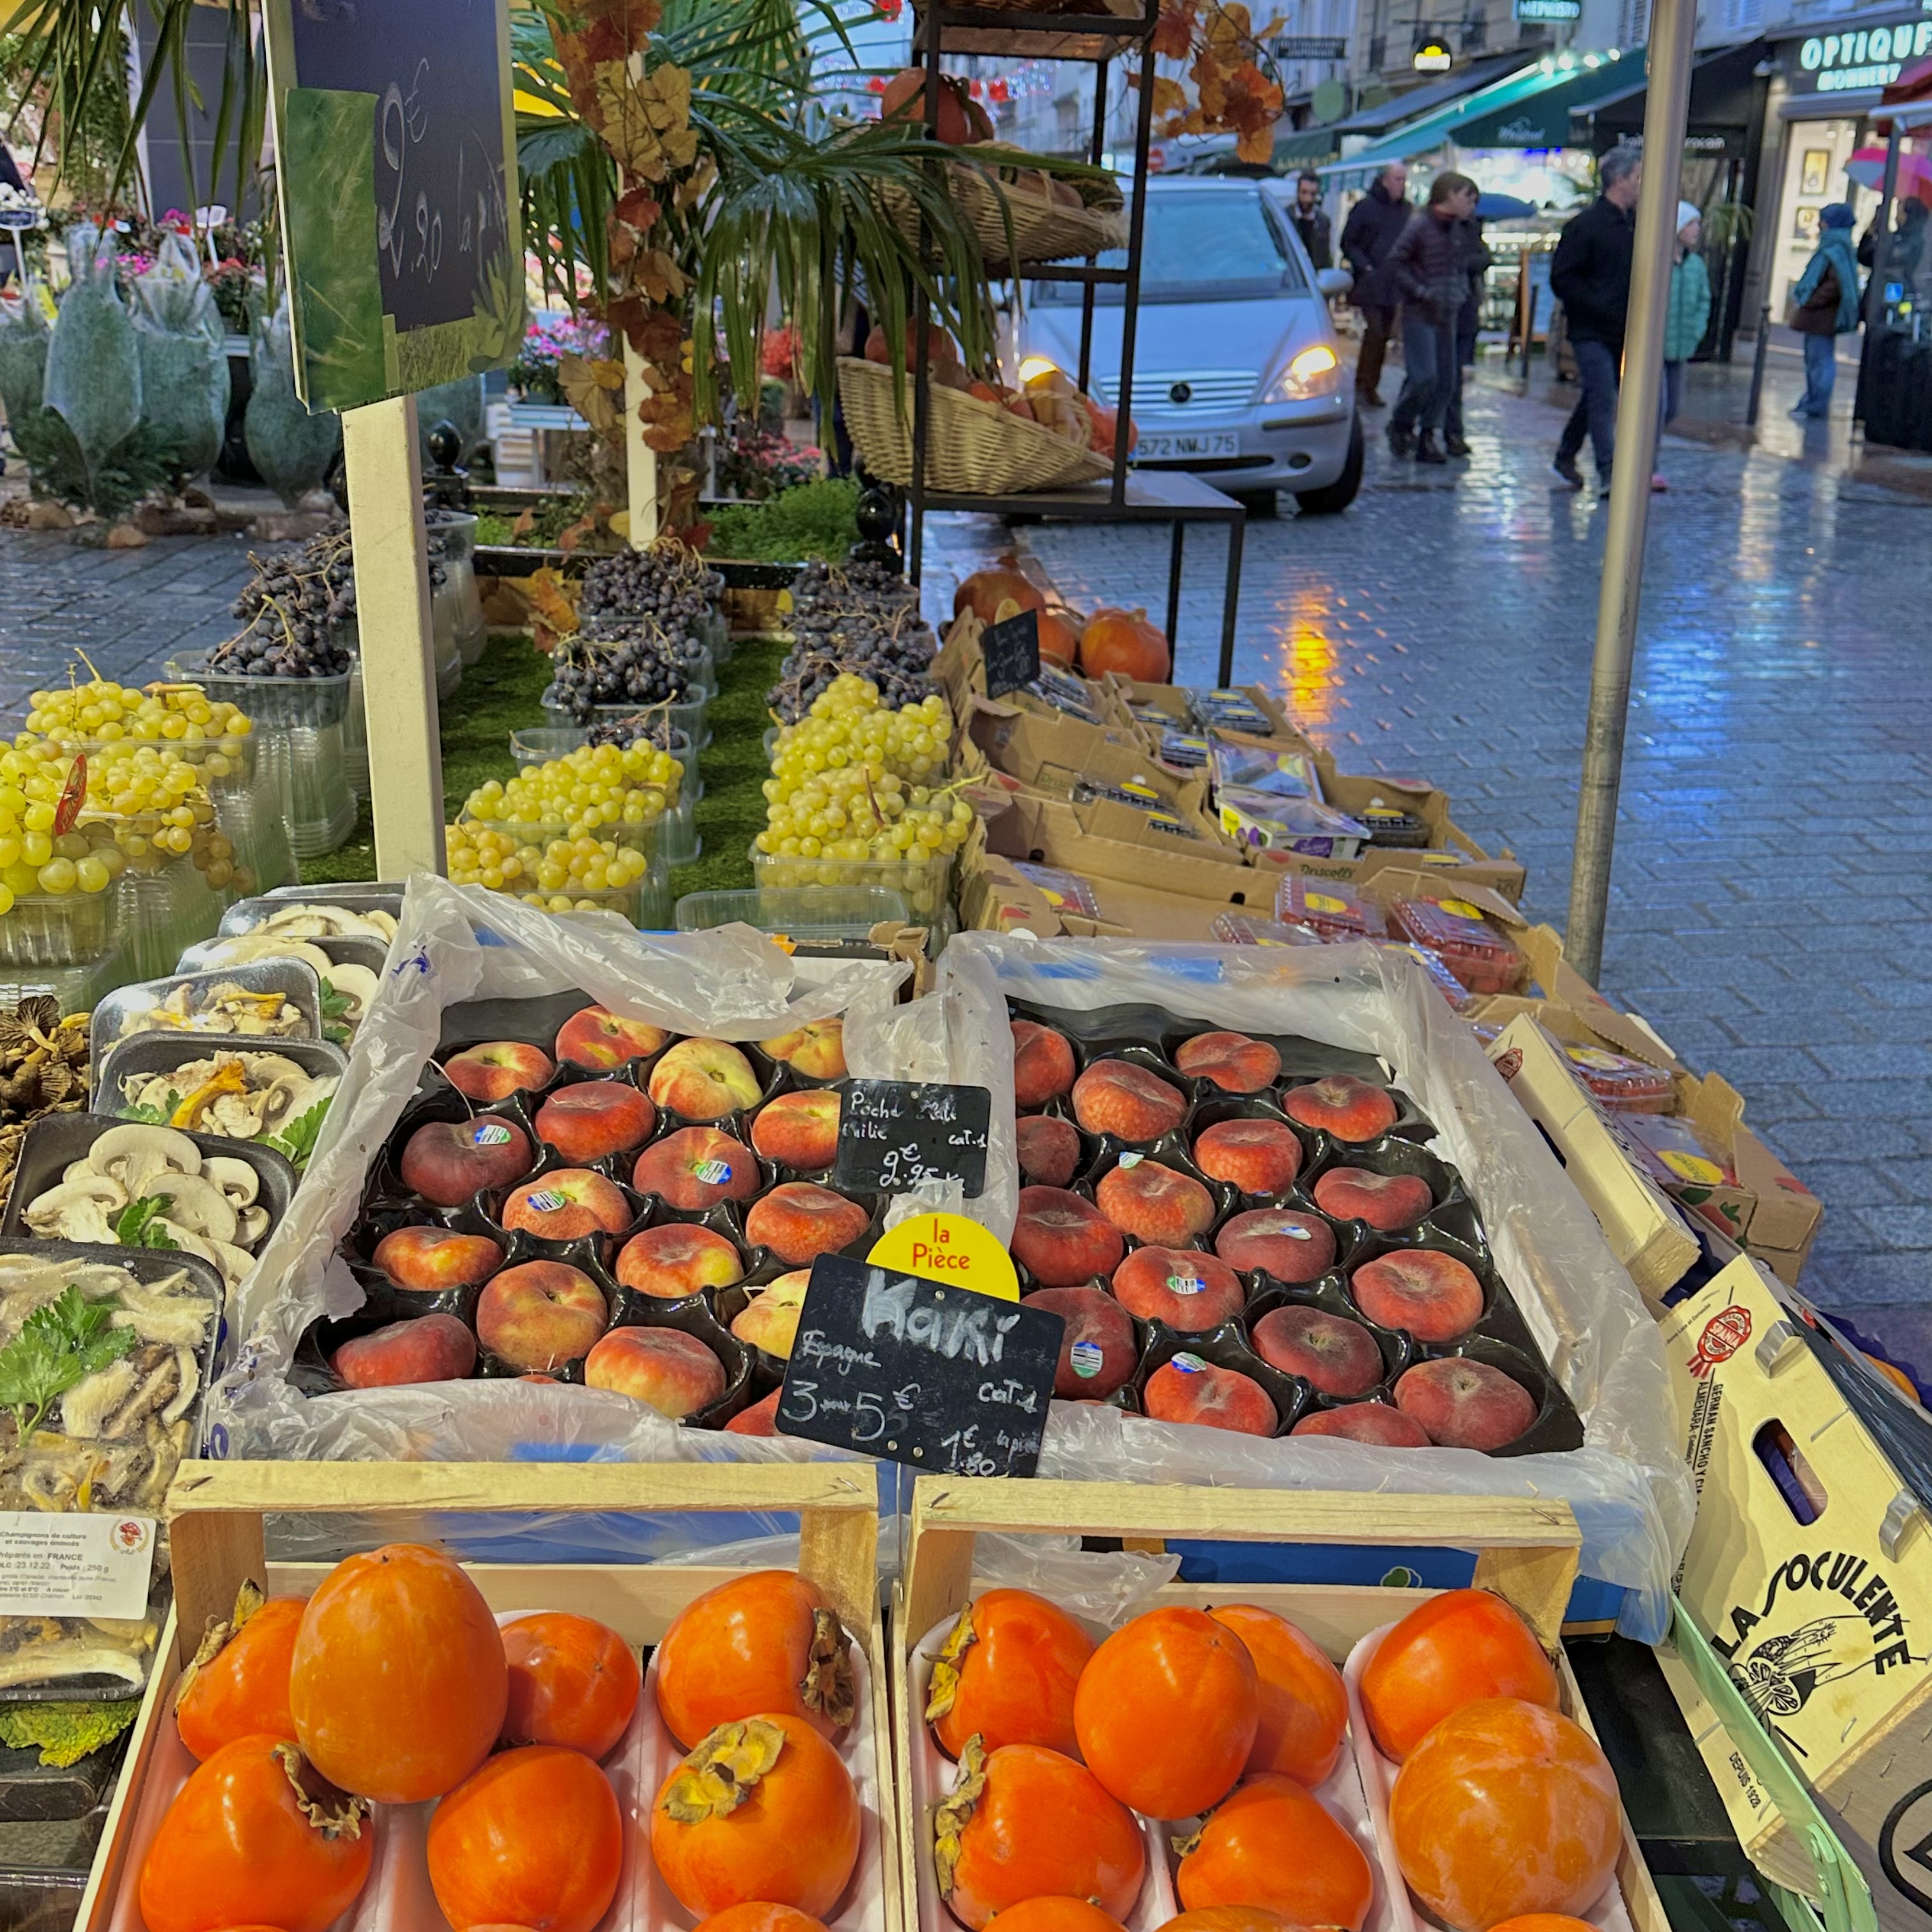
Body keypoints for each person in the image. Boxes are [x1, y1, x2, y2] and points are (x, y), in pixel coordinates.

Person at [1549, 146, 1641, 496]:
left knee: (1596, 395)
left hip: (1621, 328)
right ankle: (1609, 472)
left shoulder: (1635, 226)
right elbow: (1563, 277)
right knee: (1603, 396)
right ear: (1619, 180)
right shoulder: (1586, 226)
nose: (1641, 185)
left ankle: (1566, 454)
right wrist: (1594, 303)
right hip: (1590, 328)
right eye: (1637, 177)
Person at [1384, 172, 1482, 466]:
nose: (1471, 205)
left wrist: (1461, 291)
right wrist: (1420, 291)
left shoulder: (1462, 229)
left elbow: (1470, 260)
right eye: (1467, 197)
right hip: (1421, 313)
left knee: (1446, 381)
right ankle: (1401, 422)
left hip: (1449, 312)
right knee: (1425, 376)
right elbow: (1396, 262)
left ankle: (1428, 434)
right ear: (1450, 195)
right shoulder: (1421, 226)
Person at [1339, 162, 1410, 408]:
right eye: (1398, 179)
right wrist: (1366, 266)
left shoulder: (1406, 211)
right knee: (1375, 332)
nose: (1402, 185)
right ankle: (1365, 384)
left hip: (1394, 282)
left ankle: (1369, 384)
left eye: (1404, 180)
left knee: (1383, 336)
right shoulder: (1366, 207)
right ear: (1385, 180)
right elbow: (1348, 242)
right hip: (1370, 282)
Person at [1655, 201, 1710, 491]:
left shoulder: (1696, 265)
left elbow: (1704, 300)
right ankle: (1647, 465)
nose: (1696, 230)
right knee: (1657, 407)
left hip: (1681, 347)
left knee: (1672, 407)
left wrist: (1696, 331)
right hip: (1656, 347)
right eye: (1691, 224)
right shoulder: (1659, 261)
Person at [1789, 201, 1860, 420]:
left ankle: (1816, 405)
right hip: (1820, 317)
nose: (1820, 225)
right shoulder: (1838, 247)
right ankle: (1812, 402)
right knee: (1816, 360)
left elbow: (1836, 284)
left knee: (1820, 361)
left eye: (1824, 220)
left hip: (1822, 317)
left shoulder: (1835, 249)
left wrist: (1811, 299)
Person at [1442, 208, 1492, 458]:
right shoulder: (1435, 226)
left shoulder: (1472, 230)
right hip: (1437, 309)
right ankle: (1407, 423)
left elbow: (1485, 258)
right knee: (1429, 377)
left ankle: (1454, 432)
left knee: (1454, 378)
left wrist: (1466, 262)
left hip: (1465, 309)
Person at [1289, 171, 1333, 272]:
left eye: (1312, 194)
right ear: (1297, 192)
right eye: (1304, 192)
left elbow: (1325, 256)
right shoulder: (1287, 217)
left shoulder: (1323, 221)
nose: (1307, 199)